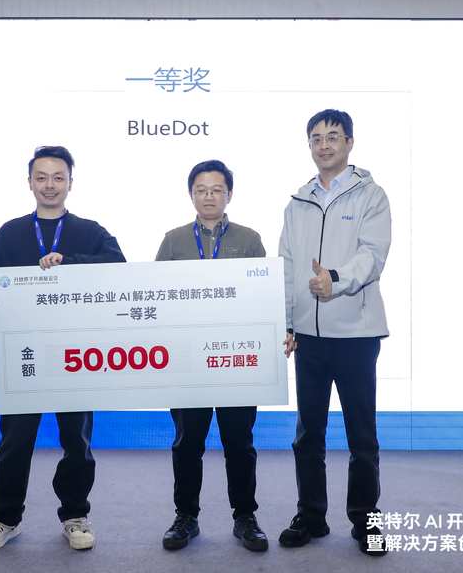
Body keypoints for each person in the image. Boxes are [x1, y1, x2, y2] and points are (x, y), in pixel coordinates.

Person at [0, 145, 125, 551]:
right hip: (24, 356)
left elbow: (118, 268)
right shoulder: (10, 233)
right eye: (41, 177)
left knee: (77, 443)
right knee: (15, 441)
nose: (49, 185)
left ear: (70, 182)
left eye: (58, 177)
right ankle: (5, 518)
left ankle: (75, 515)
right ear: (29, 182)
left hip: (75, 356)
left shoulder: (90, 231)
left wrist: (69, 261)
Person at [277, 109, 391, 556]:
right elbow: (287, 267)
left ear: (349, 143)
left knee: (362, 435)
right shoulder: (297, 202)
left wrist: (336, 280)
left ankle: (366, 521)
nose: (324, 145)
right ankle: (311, 515)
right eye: (316, 138)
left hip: (357, 333)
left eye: (333, 137)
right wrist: (287, 322)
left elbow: (373, 255)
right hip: (309, 336)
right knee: (308, 434)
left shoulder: (371, 195)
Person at [154, 160, 269, 552]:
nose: (209, 196)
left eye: (216, 189)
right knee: (188, 443)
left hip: (235, 359)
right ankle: (185, 517)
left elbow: (263, 298)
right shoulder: (173, 241)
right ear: (191, 195)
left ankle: (245, 517)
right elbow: (156, 296)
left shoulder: (249, 240)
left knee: (240, 442)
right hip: (187, 362)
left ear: (229, 194)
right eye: (201, 190)